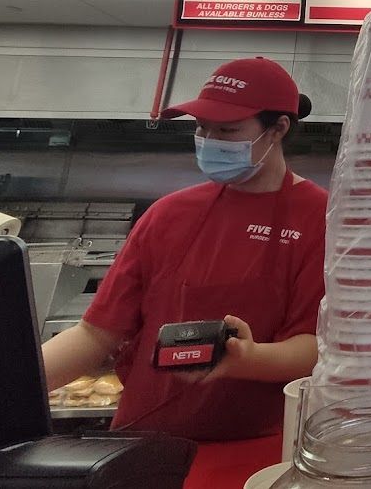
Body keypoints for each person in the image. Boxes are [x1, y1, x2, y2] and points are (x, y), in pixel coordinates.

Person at [42, 57, 328, 440]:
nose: (210, 141)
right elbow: (96, 334)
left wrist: (249, 359)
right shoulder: (168, 214)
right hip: (141, 437)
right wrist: (9, 387)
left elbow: (315, 346)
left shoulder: (319, 217)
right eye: (202, 127)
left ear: (277, 129)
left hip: (253, 444)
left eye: (227, 130)